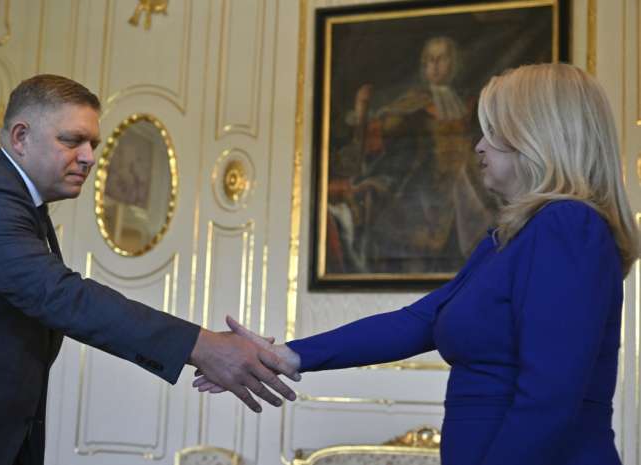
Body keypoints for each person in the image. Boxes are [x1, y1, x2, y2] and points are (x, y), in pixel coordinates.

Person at [195, 63, 639, 465]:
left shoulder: (568, 225)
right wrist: (288, 355)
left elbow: (550, 401)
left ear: (539, 135)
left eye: (493, 132)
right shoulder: (510, 238)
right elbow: (420, 320)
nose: (479, 146)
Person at [0, 74, 299, 465]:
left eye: (93, 143)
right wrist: (201, 346)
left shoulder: (21, 205)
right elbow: (59, 295)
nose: (89, 157)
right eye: (72, 140)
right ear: (21, 137)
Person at [327, 36, 495, 274]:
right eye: (429, 59)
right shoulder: (413, 103)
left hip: (463, 187)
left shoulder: (468, 104)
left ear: (453, 63)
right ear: (423, 66)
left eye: (441, 58)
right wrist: (362, 110)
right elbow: (380, 128)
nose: (435, 64)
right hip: (426, 192)